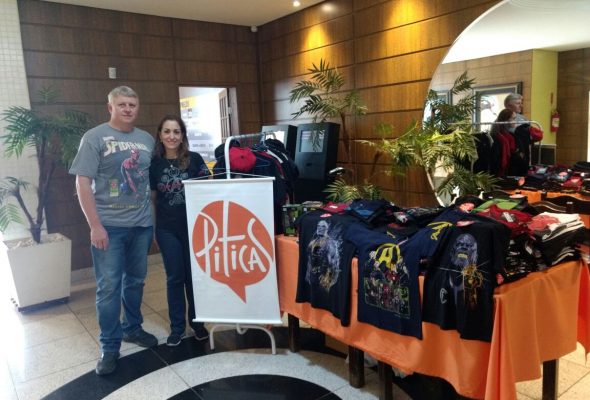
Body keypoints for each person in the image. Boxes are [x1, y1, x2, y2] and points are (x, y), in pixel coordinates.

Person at [70, 86, 157, 376]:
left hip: (141, 226)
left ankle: (132, 328)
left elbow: (148, 182)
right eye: (122, 104)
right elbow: (82, 183)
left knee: (136, 281)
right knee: (109, 288)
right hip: (109, 228)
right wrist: (95, 226)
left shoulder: (146, 140)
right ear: (111, 107)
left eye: (132, 104)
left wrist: (152, 221)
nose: (128, 109)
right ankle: (109, 346)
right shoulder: (94, 137)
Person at [150, 115, 211, 346]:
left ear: (183, 135)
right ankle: (177, 328)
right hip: (167, 229)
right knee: (175, 277)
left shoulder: (194, 159)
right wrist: (154, 230)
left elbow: (208, 192)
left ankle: (198, 324)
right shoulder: (154, 164)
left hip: (195, 228)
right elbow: (152, 200)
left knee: (194, 277)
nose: (172, 136)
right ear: (160, 135)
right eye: (167, 131)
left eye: (176, 131)